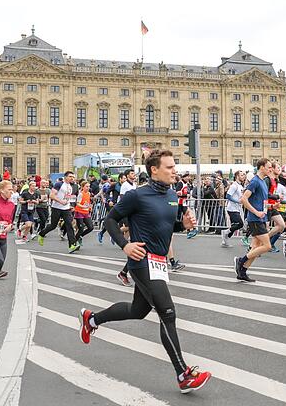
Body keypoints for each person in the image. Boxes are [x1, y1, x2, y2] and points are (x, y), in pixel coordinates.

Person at [78, 149, 212, 393]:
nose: (175, 171)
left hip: (159, 263)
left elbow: (166, 226)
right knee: (167, 312)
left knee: (138, 310)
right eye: (170, 167)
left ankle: (92, 319)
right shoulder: (137, 196)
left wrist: (183, 225)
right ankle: (183, 374)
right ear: (154, 169)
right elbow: (109, 220)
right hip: (141, 261)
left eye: (174, 166)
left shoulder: (172, 195)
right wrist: (125, 245)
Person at [234, 158, 273, 282]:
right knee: (267, 246)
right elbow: (243, 199)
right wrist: (256, 212)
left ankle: (242, 272)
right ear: (262, 167)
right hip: (254, 218)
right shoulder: (255, 181)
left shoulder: (263, 181)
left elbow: (262, 201)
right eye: (269, 167)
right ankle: (241, 260)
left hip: (261, 218)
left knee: (256, 247)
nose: (270, 169)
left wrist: (269, 209)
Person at [38, 171, 79, 253]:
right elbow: (52, 195)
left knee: (69, 225)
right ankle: (41, 234)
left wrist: (70, 205)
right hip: (56, 208)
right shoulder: (59, 184)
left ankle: (72, 245)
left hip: (66, 209)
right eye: (70, 176)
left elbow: (67, 197)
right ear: (65, 177)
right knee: (53, 225)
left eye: (73, 177)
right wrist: (61, 201)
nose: (72, 178)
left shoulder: (71, 186)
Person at [221, 171, 245, 247]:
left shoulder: (240, 186)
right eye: (242, 175)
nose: (244, 176)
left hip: (238, 208)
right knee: (240, 224)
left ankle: (225, 241)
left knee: (234, 225)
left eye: (244, 175)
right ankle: (225, 232)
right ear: (237, 176)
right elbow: (228, 196)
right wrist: (237, 201)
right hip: (232, 208)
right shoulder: (234, 185)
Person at [73, 179, 94, 247]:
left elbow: (87, 202)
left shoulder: (88, 193)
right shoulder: (80, 194)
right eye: (86, 186)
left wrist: (89, 206)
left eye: (89, 186)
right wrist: (83, 206)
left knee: (91, 227)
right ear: (82, 187)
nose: (88, 188)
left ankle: (80, 236)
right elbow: (78, 203)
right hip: (79, 212)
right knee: (81, 228)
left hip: (86, 212)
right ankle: (73, 243)